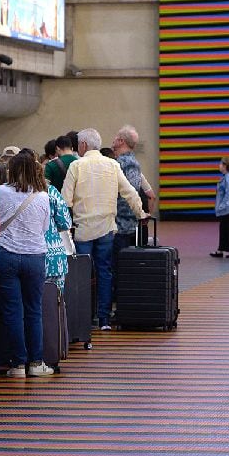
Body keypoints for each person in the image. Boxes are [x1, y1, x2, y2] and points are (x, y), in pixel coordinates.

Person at [63, 128, 147, 330]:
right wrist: (141, 214)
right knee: (105, 272)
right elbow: (130, 192)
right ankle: (104, 319)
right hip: (108, 229)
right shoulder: (112, 165)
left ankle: (82, 319)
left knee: (82, 274)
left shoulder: (76, 166)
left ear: (83, 145)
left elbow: (65, 199)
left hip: (83, 230)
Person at [0, 150, 55, 378]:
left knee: (12, 311)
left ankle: (18, 364)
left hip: (5, 255)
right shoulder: (43, 196)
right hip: (35, 256)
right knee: (34, 310)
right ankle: (36, 362)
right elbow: (45, 227)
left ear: (12, 171)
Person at [112, 125, 157, 255]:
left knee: (117, 265)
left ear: (121, 141)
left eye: (116, 137)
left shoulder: (126, 163)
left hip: (121, 225)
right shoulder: (128, 162)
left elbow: (130, 193)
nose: (113, 140)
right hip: (125, 224)